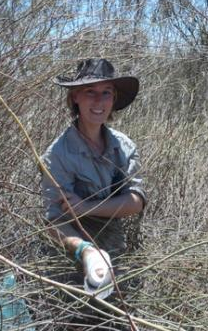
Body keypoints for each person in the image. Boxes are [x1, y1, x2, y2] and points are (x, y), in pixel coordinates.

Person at [40, 58, 147, 301]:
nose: (99, 101)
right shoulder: (57, 155)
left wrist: (86, 206)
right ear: (75, 97)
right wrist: (86, 251)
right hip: (68, 265)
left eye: (106, 92)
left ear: (114, 98)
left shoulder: (124, 147)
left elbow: (136, 200)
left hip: (115, 257)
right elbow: (54, 222)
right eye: (90, 92)